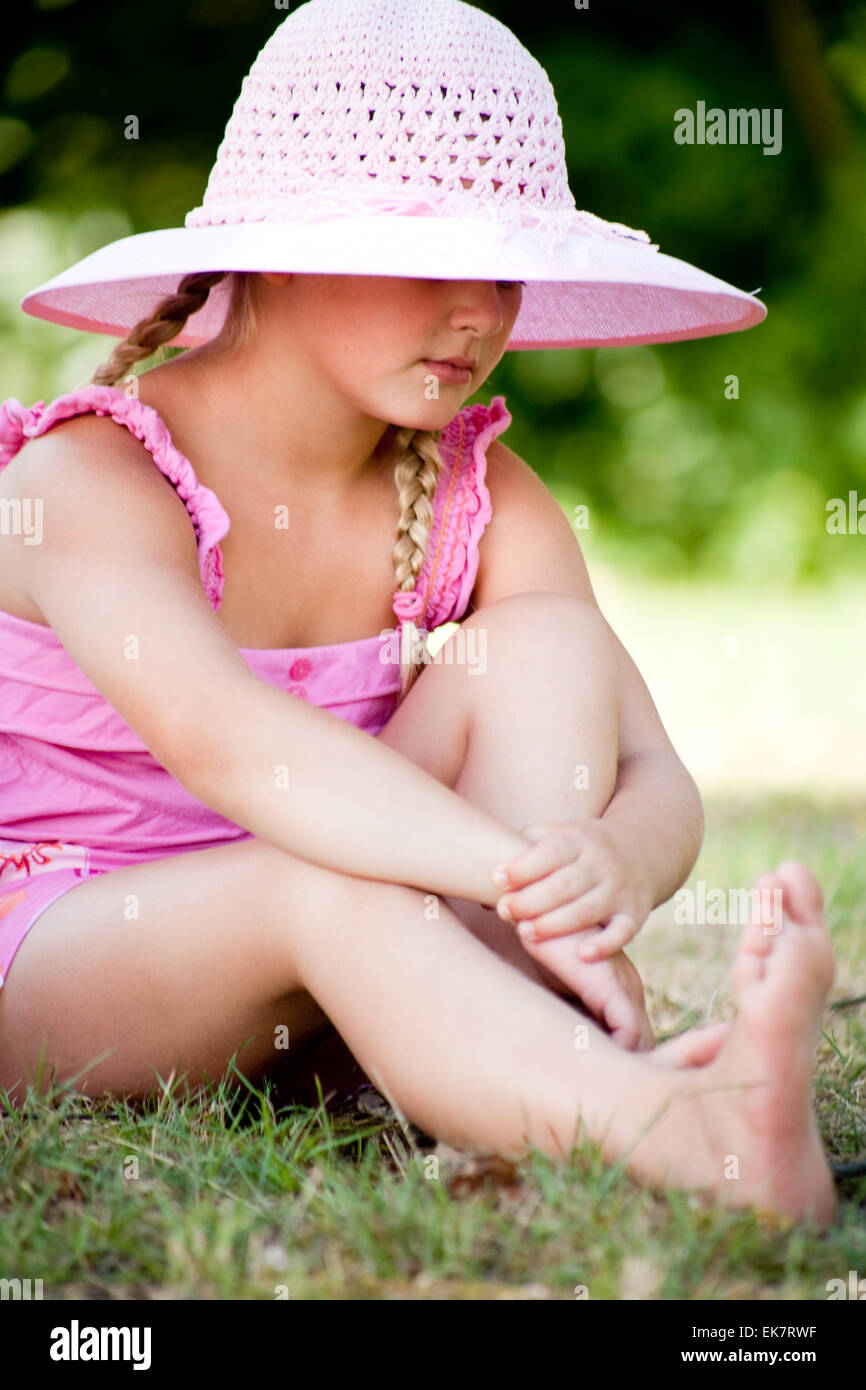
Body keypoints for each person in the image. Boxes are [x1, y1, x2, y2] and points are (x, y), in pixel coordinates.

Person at [0, 0, 836, 1225]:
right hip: (74, 964)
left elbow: (651, 763)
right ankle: (679, 1128)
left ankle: (508, 1061)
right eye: (429, 259)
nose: (479, 312)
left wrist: (606, 862)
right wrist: (511, 873)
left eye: (501, 269)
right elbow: (236, 748)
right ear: (281, 249)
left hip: (345, 969)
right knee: (320, 881)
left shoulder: (473, 487)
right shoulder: (90, 481)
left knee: (544, 643)